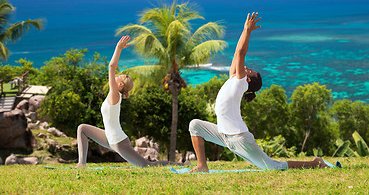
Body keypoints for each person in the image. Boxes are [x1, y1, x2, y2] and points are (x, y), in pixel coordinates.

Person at [188, 12, 328, 172]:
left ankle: (315, 163)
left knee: (274, 167)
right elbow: (236, 54)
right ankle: (202, 166)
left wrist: (248, 31)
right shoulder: (233, 78)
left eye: (250, 71)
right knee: (195, 125)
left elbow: (241, 53)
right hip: (223, 135)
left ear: (248, 80)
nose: (246, 67)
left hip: (239, 139)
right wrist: (243, 29)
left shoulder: (240, 83)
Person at [76, 35, 182, 168]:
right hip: (109, 138)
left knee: (147, 165)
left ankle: (180, 164)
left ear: (120, 85)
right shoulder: (113, 95)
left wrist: (118, 48)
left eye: (119, 76)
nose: (117, 75)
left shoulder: (115, 95)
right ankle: (81, 164)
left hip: (119, 142)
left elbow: (111, 66)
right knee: (82, 129)